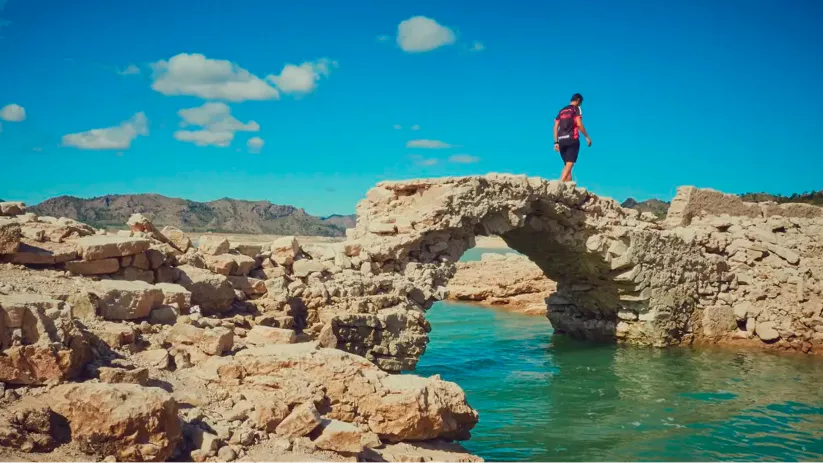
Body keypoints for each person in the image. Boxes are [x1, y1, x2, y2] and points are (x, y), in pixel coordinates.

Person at [553, 93, 592, 182]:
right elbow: (579, 124)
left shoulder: (561, 111)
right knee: (569, 164)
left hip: (561, 140)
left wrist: (556, 142)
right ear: (578, 100)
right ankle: (559, 184)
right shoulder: (576, 108)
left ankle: (570, 187)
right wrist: (586, 136)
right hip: (572, 139)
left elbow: (555, 126)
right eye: (581, 103)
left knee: (567, 165)